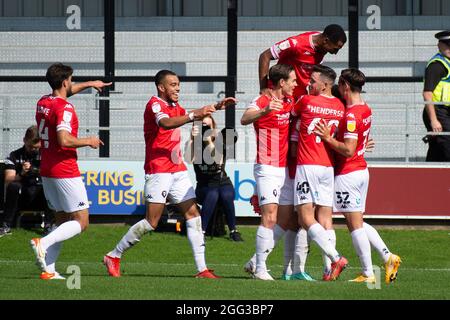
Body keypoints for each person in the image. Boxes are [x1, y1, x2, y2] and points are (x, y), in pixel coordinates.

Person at [103, 70, 236, 278]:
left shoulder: (175, 107)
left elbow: (190, 117)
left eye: (178, 84)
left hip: (177, 169)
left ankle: (202, 269)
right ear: (161, 87)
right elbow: (165, 123)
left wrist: (215, 107)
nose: (178, 88)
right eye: (173, 84)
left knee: (194, 215)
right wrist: (194, 114)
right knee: (151, 222)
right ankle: (114, 255)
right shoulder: (155, 104)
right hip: (159, 169)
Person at [315, 68, 402, 284]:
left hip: (349, 173)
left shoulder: (352, 114)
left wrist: (327, 138)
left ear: (345, 85)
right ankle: (387, 257)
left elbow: (348, 150)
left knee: (354, 225)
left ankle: (369, 273)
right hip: (361, 171)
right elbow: (358, 142)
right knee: (359, 222)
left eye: (340, 86)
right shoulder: (366, 108)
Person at [29, 63, 110, 280]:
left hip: (47, 168)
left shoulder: (43, 102)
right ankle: (42, 243)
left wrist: (90, 84)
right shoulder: (65, 109)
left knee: (62, 221)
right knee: (81, 222)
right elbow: (64, 140)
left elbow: (66, 93)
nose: (72, 83)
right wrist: (89, 141)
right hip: (65, 169)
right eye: (71, 80)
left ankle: (49, 270)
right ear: (65, 81)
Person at [240, 64, 297, 280]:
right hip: (267, 165)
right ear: (281, 83)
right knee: (270, 217)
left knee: (284, 220)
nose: (295, 84)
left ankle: (255, 261)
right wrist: (264, 111)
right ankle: (261, 270)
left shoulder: (289, 101)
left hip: (283, 167)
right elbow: (244, 119)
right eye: (292, 80)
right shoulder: (263, 100)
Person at [292, 65, 348, 281]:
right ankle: (328, 271)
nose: (309, 84)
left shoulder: (306, 101)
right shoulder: (340, 107)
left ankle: (335, 257)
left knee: (306, 218)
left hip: (308, 165)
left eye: (313, 81)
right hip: (327, 167)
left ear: (325, 84)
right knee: (326, 219)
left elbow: (291, 112)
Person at [187, 115, 243, 241]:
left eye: (208, 126)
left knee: (226, 195)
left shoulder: (219, 142)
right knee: (213, 193)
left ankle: (234, 231)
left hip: (222, 182)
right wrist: (192, 138)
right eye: (203, 126)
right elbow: (190, 159)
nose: (205, 129)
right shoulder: (194, 143)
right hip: (204, 186)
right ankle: (201, 231)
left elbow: (217, 159)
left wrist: (208, 141)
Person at [0, 125, 50, 237]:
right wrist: (22, 173)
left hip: (41, 197)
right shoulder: (14, 155)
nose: (33, 150)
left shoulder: (46, 155)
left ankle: (48, 226)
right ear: (24, 141)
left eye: (36, 148)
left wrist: (36, 170)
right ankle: (6, 225)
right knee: (13, 186)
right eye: (30, 147)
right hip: (21, 198)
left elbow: (53, 174)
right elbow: (8, 178)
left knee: (50, 185)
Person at [422, 30, 450, 161]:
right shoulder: (437, 65)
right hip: (437, 111)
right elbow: (427, 94)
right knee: (447, 146)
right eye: (447, 45)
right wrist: (433, 120)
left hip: (446, 112)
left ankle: (427, 177)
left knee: (436, 149)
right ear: (439, 45)